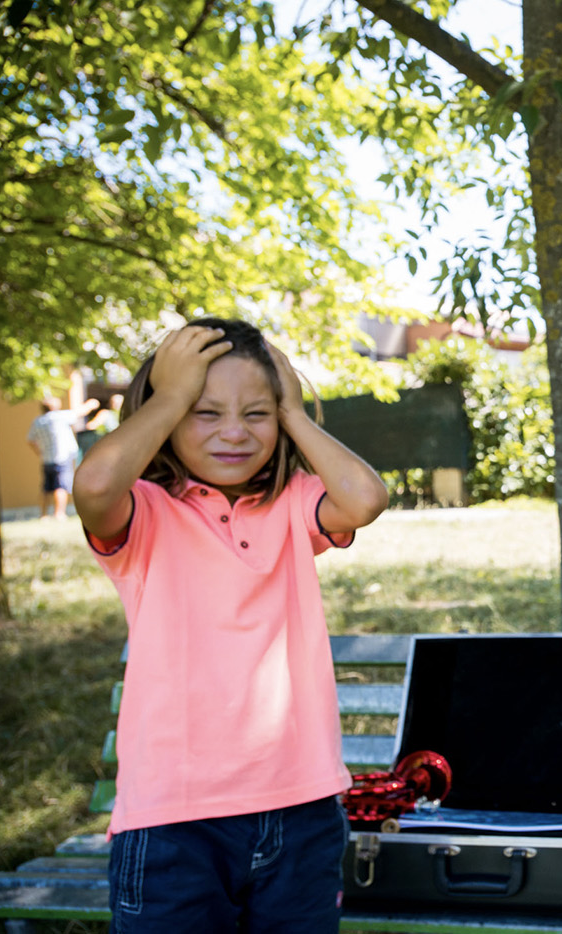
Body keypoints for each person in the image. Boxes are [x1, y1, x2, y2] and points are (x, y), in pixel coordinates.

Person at [73, 318, 389, 934]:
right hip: (173, 822)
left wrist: (294, 410)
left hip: (301, 810)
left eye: (257, 412)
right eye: (204, 412)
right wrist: (168, 397)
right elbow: (95, 483)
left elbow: (365, 498)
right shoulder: (146, 514)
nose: (236, 433)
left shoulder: (294, 502)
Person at [26, 395, 97, 518]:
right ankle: (59, 513)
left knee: (46, 488)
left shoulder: (38, 421)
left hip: (46, 459)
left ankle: (43, 515)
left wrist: (39, 452)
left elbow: (30, 440)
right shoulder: (59, 417)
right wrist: (91, 404)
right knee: (61, 486)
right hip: (62, 458)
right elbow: (79, 412)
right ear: (54, 406)